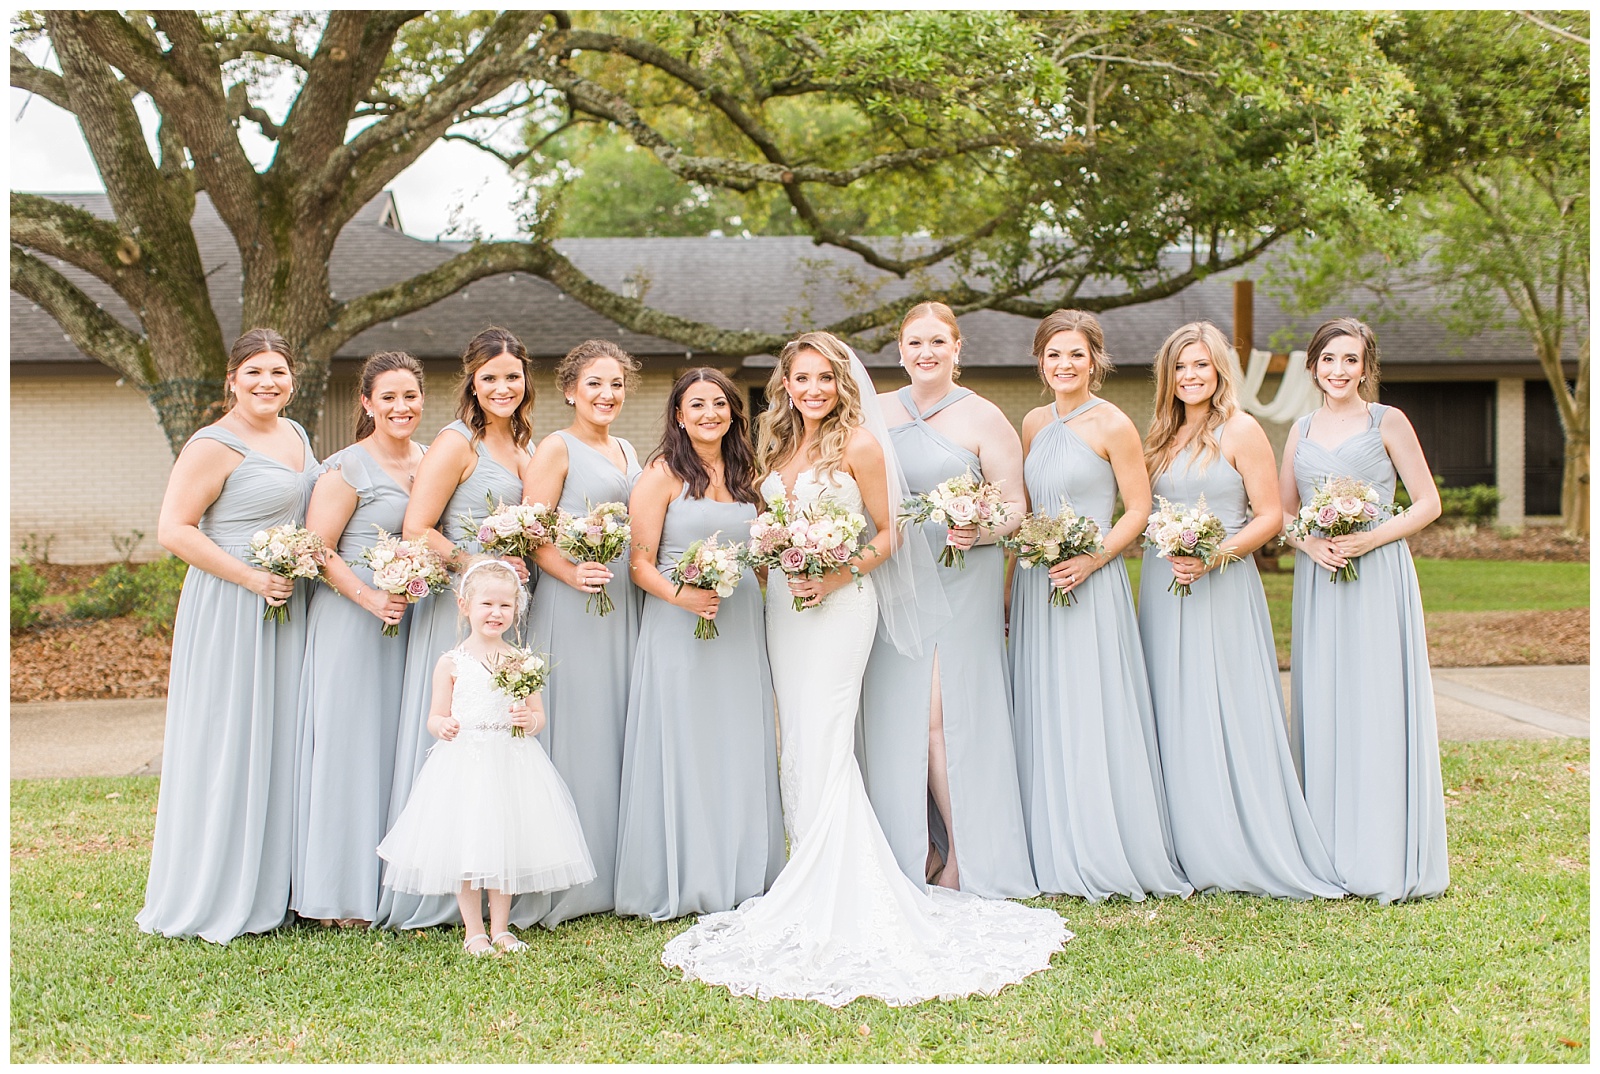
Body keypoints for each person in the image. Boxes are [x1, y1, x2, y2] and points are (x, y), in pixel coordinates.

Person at [663, 331, 1067, 1008]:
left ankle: (836, 886)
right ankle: (809, 873)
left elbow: (889, 534)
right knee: (801, 738)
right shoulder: (777, 446)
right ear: (786, 384)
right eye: (801, 379)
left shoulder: (860, 444)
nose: (813, 389)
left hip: (843, 604)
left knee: (826, 732)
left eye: (825, 378)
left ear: (841, 383)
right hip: (787, 610)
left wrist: (835, 572)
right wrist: (771, 558)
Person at [1137, 323, 1344, 900]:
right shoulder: (1160, 433)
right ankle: (1178, 836)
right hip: (1163, 580)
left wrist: (1212, 555)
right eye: (1180, 367)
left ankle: (1230, 837)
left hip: (1221, 581)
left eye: (1201, 365)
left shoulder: (1241, 429)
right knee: (1170, 700)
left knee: (1220, 701)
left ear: (1219, 370)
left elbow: (1270, 515)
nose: (1190, 376)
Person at [138, 328, 318, 943]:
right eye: (255, 373)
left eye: (279, 372)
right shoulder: (213, 444)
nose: (268, 383)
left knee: (281, 736)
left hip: (288, 602)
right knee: (231, 736)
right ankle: (216, 887)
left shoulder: (295, 434)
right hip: (232, 603)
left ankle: (282, 884)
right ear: (231, 380)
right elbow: (174, 530)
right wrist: (251, 578)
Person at [1009, 309, 1191, 902]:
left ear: (1096, 361)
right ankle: (1047, 845)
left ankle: (1101, 844)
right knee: (1043, 703)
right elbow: (1026, 507)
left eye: (1076, 355)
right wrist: (1013, 580)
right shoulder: (1033, 422)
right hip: (1040, 579)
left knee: (1092, 703)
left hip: (1094, 578)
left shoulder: (1113, 424)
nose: (1065, 365)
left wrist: (1091, 559)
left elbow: (1138, 509)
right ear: (1040, 361)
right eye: (1054, 354)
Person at [861, 302, 1037, 898]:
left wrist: (981, 529)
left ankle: (967, 849)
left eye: (937, 341)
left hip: (964, 576)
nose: (925, 353)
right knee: (899, 712)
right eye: (915, 343)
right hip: (898, 577)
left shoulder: (985, 418)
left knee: (944, 713)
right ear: (900, 349)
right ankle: (919, 845)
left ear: (957, 349)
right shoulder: (877, 411)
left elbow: (1015, 507)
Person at [1280, 317, 1449, 903]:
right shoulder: (1299, 429)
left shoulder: (1388, 421)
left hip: (1377, 572)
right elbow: (1283, 513)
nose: (1338, 371)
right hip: (1320, 578)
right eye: (1328, 359)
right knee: (1327, 698)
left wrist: (1367, 539)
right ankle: (1326, 845)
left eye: (1350, 360)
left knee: (1376, 698)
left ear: (1366, 367)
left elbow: (1427, 503)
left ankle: (1381, 847)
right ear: (1313, 366)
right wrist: (1313, 543)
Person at [374, 327, 537, 931]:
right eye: (490, 377)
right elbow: (418, 524)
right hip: (462, 605)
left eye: (513, 376)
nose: (502, 387)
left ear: (526, 381)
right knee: (458, 741)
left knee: (499, 749)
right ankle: (449, 890)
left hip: (508, 613)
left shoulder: (522, 447)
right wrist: (479, 566)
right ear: (472, 381)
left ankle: (499, 878)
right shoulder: (456, 441)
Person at [614, 368, 784, 921]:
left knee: (735, 740)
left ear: (735, 412)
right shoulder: (661, 474)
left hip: (738, 624)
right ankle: (685, 873)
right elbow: (639, 563)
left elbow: (762, 556)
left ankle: (740, 871)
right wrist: (680, 595)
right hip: (676, 624)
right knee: (686, 741)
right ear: (679, 415)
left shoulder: (747, 475)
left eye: (719, 404)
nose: (709, 413)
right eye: (697, 404)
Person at [377, 559, 595, 955]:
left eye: (505, 606)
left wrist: (527, 719)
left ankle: (501, 928)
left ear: (516, 610)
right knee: (467, 846)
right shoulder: (451, 662)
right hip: (466, 762)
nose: (496, 613)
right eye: (487, 605)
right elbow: (435, 716)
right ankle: (473, 931)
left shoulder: (521, 660)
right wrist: (441, 727)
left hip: (511, 760)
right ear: (465, 605)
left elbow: (539, 718)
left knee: (505, 844)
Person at [292, 352, 428, 928]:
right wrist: (370, 597)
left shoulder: (430, 461)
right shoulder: (344, 469)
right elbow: (315, 549)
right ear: (367, 404)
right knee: (349, 747)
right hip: (352, 618)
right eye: (388, 398)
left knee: (396, 748)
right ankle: (339, 894)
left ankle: (396, 883)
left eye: (411, 396)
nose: (401, 408)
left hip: (410, 619)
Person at [520, 339, 644, 927]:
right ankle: (566, 874)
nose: (606, 395)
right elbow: (532, 531)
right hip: (573, 602)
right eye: (594, 383)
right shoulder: (556, 447)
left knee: (617, 723)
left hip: (622, 600)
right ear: (570, 390)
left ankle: (617, 867)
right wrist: (572, 571)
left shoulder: (625, 447)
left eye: (616, 384)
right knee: (577, 725)